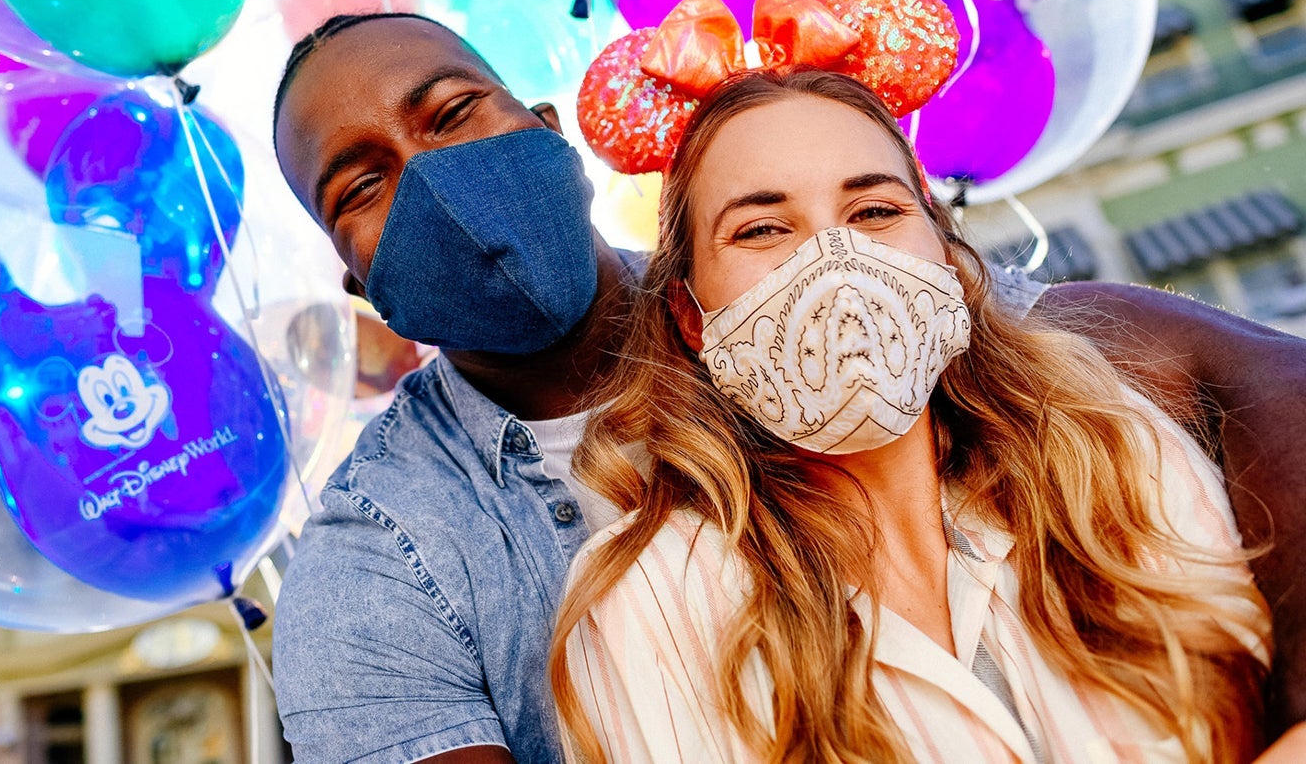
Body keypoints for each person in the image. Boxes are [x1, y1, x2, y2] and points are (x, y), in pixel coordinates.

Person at [269, 11, 1306, 764]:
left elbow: (1246, 372)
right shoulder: (398, 575)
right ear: (355, 277)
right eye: (361, 182)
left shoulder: (1102, 450)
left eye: (451, 113)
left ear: (548, 129)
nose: (434, 183)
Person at [550, 68, 1304, 763]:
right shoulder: (648, 602)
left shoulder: (1111, 452)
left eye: (875, 209)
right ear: (690, 314)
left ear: (945, 254)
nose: (835, 260)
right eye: (762, 228)